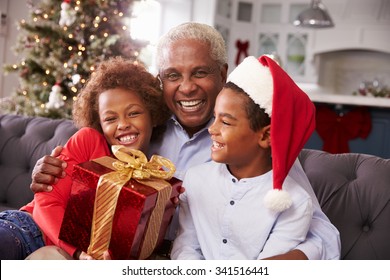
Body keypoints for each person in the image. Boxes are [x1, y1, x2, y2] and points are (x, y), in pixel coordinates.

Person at [29, 22, 340, 260]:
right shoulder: (143, 127)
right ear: (160, 80)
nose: (186, 88)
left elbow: (322, 232)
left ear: (222, 73)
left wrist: (286, 262)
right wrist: (51, 171)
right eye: (173, 76)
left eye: (200, 73)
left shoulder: (249, 144)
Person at [0, 56, 171, 260]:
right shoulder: (89, 141)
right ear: (99, 122)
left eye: (133, 113)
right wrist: (78, 252)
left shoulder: (153, 176)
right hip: (27, 230)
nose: (122, 124)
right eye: (110, 118)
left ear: (152, 115)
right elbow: (47, 203)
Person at [172, 55, 315, 259]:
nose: (212, 129)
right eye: (215, 118)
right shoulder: (195, 179)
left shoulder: (296, 202)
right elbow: (185, 248)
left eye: (226, 122)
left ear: (265, 135)